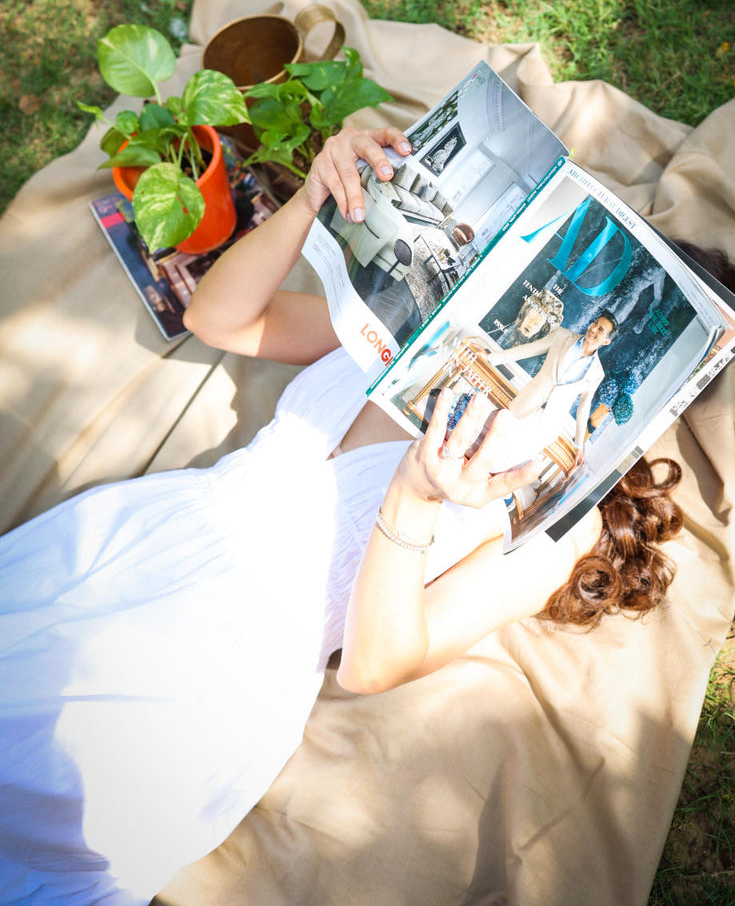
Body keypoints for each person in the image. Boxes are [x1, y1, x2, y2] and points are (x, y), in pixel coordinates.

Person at [0, 127, 683, 906]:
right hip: (148, 533)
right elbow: (217, 321)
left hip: (230, 657)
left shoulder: (559, 518)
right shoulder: (425, 329)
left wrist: (413, 500)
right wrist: (311, 196)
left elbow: (371, 667)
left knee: (38, 773)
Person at [486, 314, 619, 469]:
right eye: (595, 323)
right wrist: (491, 358)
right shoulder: (562, 335)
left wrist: (579, 445)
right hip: (528, 402)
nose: (594, 328)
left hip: (549, 423)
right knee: (494, 443)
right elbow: (529, 350)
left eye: (600, 329)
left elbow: (584, 407)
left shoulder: (597, 373)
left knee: (510, 461)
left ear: (606, 341)